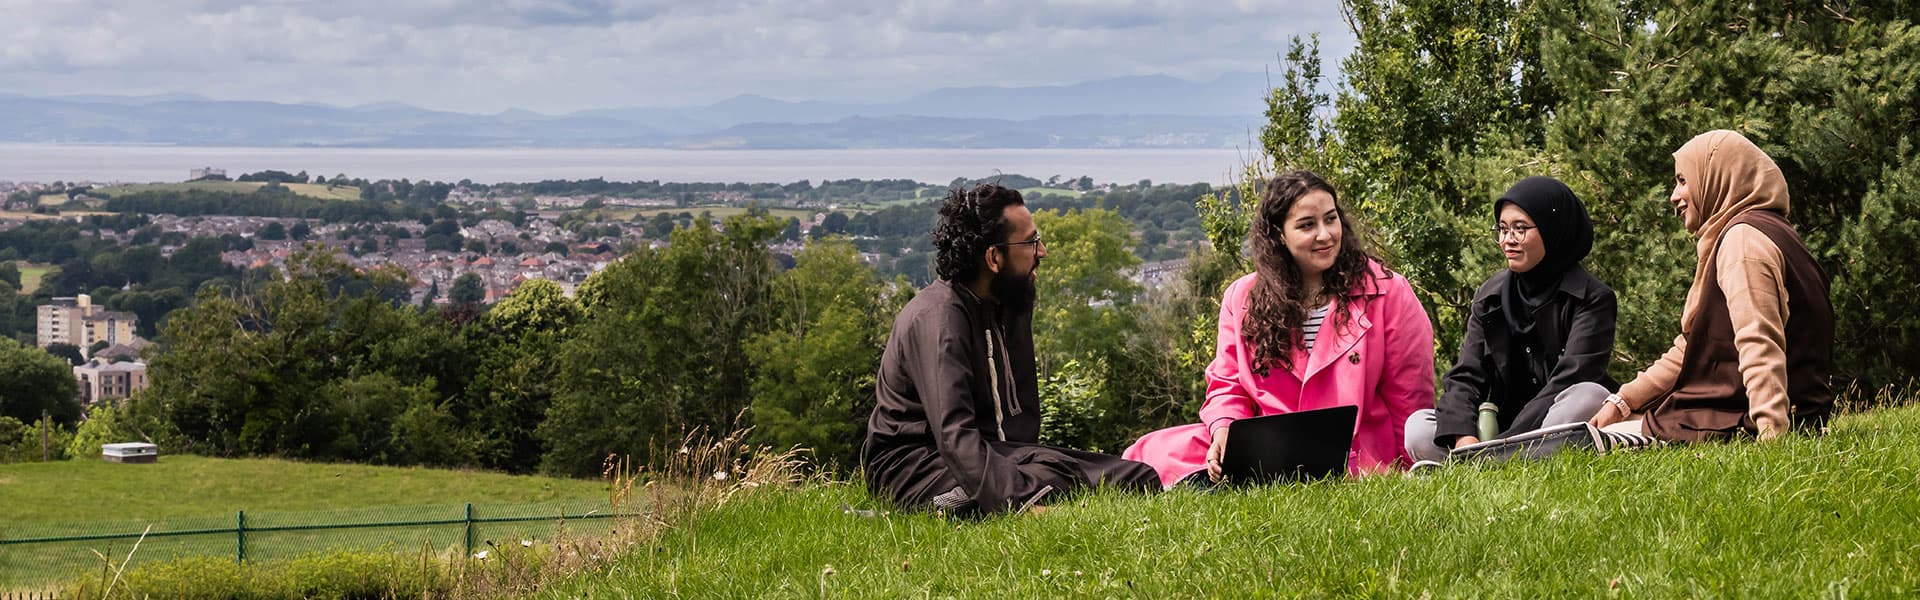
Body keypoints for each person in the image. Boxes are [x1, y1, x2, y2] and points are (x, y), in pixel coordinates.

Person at [1123, 170, 1434, 488]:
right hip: (1267, 449)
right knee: (1149, 453)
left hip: (1356, 454)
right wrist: (1224, 430)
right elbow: (1227, 386)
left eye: (1331, 219)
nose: (1325, 235)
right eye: (1307, 225)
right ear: (1279, 235)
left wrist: (1408, 470)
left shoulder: (1387, 291)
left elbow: (1409, 398)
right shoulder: (1242, 297)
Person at [863, 183, 1160, 515]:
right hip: (916, 471)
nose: (1042, 251)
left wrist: (1031, 469)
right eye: (1031, 242)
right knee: (1053, 479)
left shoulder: (1007, 303)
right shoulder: (939, 319)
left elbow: (1021, 423)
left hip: (996, 453)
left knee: (1135, 477)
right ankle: (961, 505)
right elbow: (953, 435)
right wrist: (1018, 502)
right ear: (993, 257)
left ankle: (1021, 492)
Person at [1587, 129, 1835, 442]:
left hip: (1739, 421)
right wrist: (1624, 400)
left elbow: (1759, 343)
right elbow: (1693, 347)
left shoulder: (1742, 242)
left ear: (1717, 176)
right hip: (1752, 414)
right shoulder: (1775, 233)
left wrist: (1773, 438)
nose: (1674, 196)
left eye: (1682, 180)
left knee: (1585, 444)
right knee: (1611, 422)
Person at [1404, 176, 1617, 463]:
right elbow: (1466, 375)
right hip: (1496, 430)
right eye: (1502, 229)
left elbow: (1573, 376)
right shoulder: (1489, 297)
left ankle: (1492, 464)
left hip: (1550, 424)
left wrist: (1502, 446)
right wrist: (1465, 439)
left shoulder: (1592, 298)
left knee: (1588, 396)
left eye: (1520, 229)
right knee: (1418, 427)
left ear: (1553, 231)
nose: (1507, 240)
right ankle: (1492, 463)